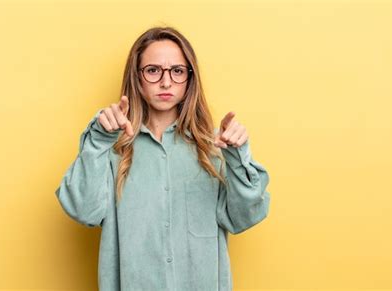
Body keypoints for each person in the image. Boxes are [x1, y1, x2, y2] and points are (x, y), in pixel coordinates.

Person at [55, 26, 271, 291]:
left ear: (190, 79)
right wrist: (98, 140)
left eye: (177, 71)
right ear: (137, 78)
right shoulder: (111, 150)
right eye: (153, 70)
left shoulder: (215, 148)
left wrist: (238, 157)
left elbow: (244, 217)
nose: (166, 82)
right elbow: (82, 210)